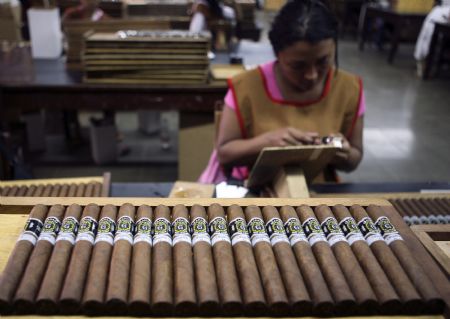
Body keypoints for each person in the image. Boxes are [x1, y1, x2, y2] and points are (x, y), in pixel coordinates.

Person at [199, 0, 365, 184]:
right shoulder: (247, 86)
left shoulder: (349, 88)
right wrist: (267, 142)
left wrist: (344, 154)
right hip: (258, 191)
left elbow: (355, 158)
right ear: (277, 54)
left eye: (323, 61)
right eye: (297, 66)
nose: (311, 75)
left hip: (320, 194)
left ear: (334, 47)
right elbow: (224, 154)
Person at [414, 0, 450, 77]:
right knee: (427, 36)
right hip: (439, 14)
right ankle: (422, 63)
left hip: (443, 15)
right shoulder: (438, 10)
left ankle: (426, 64)